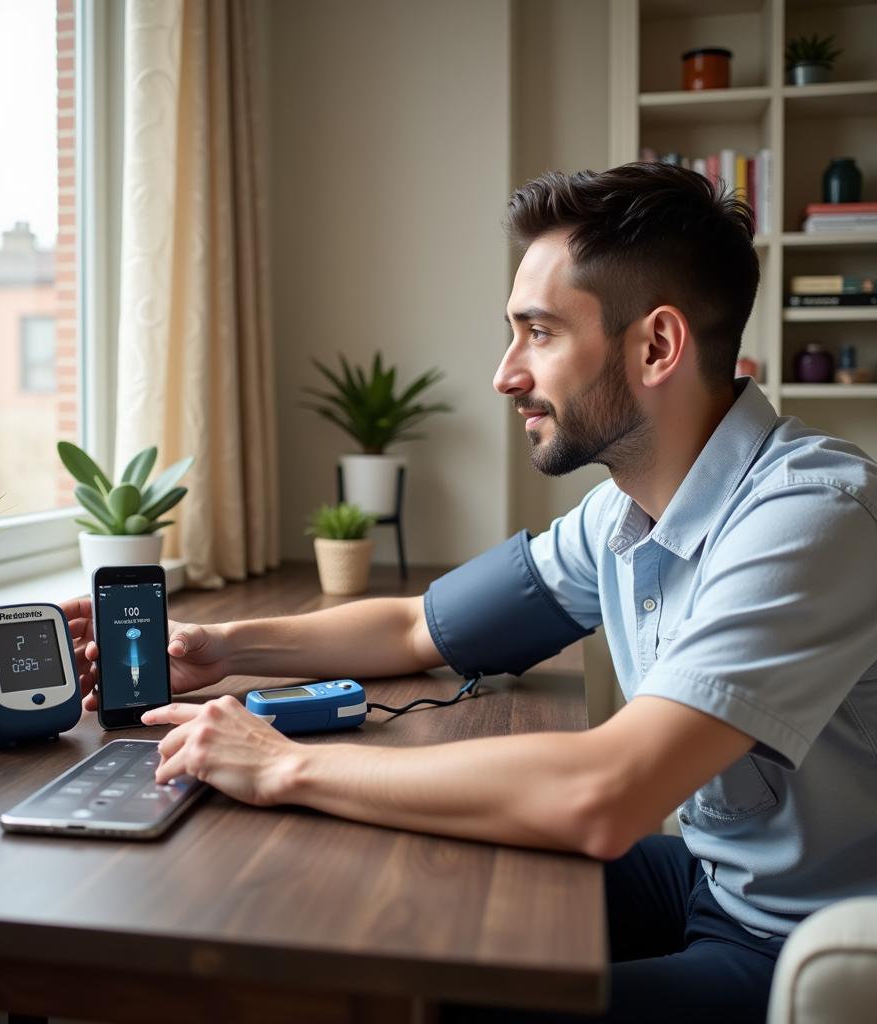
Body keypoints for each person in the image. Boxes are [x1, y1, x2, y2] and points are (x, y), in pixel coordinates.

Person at [62, 163, 877, 1024]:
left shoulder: (808, 518)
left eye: (539, 333)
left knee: (430, 1003)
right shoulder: (624, 513)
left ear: (656, 347)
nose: (505, 373)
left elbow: (606, 793)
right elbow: (420, 626)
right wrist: (227, 648)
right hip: (714, 883)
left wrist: (287, 764)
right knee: (391, 899)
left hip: (803, 948)